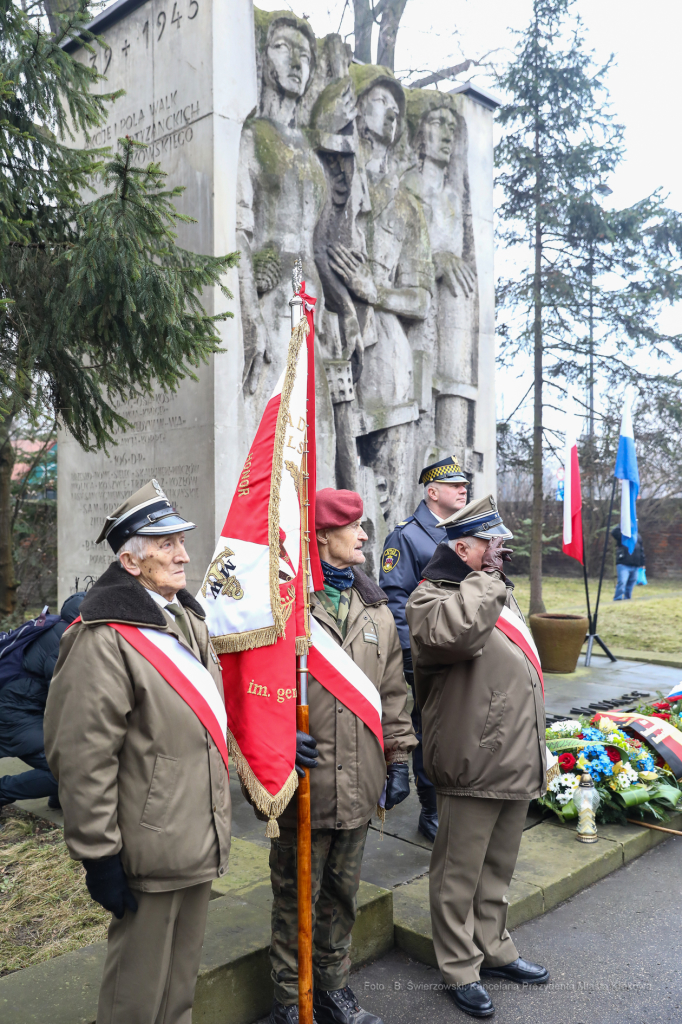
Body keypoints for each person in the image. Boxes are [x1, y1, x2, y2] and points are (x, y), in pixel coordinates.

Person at [44, 480, 231, 1024]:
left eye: (181, 540)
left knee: (179, 985)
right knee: (137, 992)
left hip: (196, 834)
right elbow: (82, 756)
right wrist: (98, 854)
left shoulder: (186, 617)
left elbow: (204, 720)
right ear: (130, 560)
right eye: (166, 543)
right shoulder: (101, 636)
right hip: (148, 845)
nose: (183, 554)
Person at [266, 487, 417, 1024]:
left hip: (360, 782)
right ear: (323, 535)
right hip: (304, 782)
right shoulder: (287, 607)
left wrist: (398, 760)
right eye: (352, 527)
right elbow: (256, 691)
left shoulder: (374, 607)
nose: (363, 535)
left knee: (341, 896)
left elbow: (393, 693)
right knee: (294, 899)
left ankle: (332, 987)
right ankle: (290, 997)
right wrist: (276, 739)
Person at [406, 495, 549, 1019]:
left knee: (498, 868)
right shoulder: (431, 597)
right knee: (458, 873)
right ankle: (460, 966)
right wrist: (487, 581)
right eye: (492, 542)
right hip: (472, 757)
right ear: (462, 547)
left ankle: (494, 947)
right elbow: (457, 635)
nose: (501, 550)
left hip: (513, 754)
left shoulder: (488, 589)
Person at [379, 456, 469, 841]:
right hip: (426, 652)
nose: (463, 489)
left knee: (456, 728)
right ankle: (431, 811)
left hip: (460, 646)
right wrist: (410, 654)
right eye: (454, 485)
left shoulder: (465, 529)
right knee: (427, 731)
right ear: (432, 493)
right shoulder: (407, 536)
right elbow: (395, 600)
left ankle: (455, 803)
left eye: (464, 484)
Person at [0, 593, 84, 809]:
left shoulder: (58, 625)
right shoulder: (67, 640)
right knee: (67, 770)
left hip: (19, 706)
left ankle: (60, 797)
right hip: (13, 712)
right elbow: (62, 700)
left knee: (67, 755)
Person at [612, 526, 645, 601]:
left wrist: (642, 563)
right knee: (622, 582)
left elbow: (641, 550)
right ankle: (618, 598)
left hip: (635, 564)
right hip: (623, 563)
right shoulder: (623, 534)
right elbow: (614, 532)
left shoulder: (637, 536)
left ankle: (627, 598)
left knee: (631, 583)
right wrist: (623, 523)